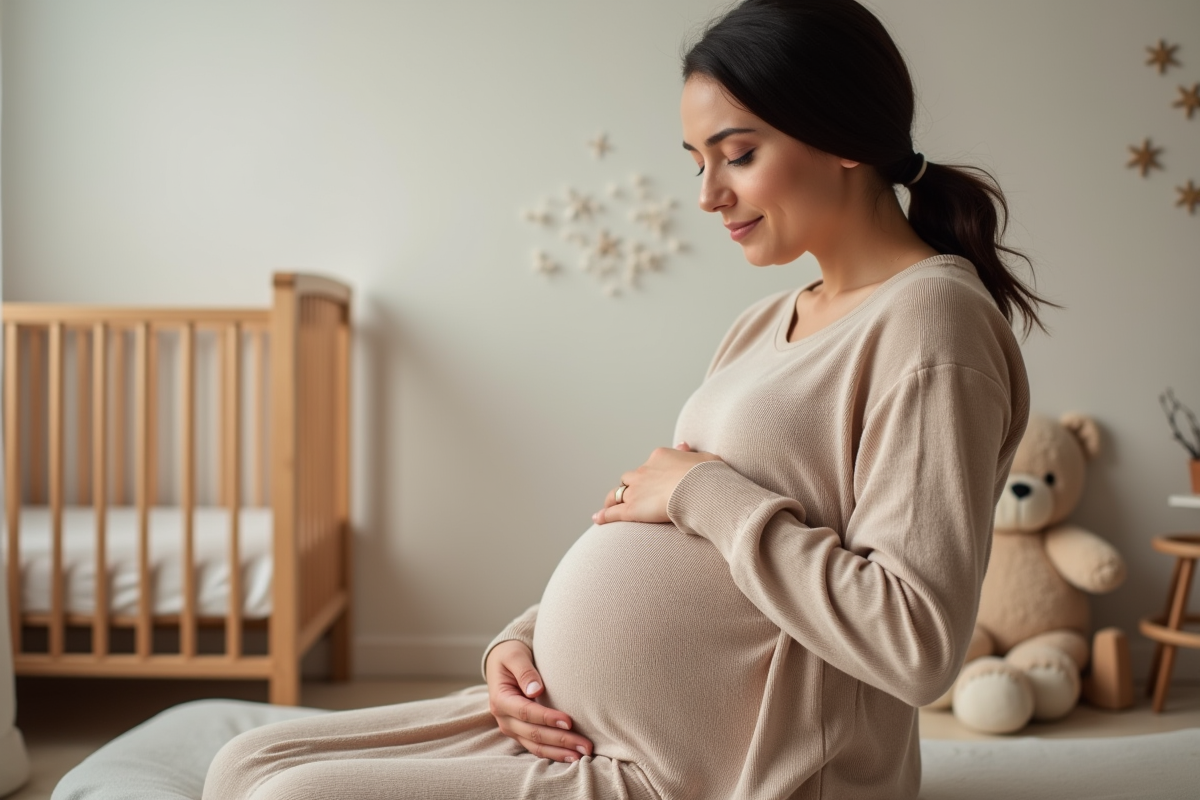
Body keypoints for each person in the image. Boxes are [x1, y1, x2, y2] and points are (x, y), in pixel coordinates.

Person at [203, 0, 1050, 797]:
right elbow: (673, 533)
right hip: (580, 726)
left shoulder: (932, 322)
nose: (708, 196)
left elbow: (917, 641)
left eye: (738, 154)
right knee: (247, 760)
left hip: (711, 771)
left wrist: (699, 490)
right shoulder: (764, 323)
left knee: (288, 794)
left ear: (843, 138)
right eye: (699, 163)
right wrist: (527, 642)